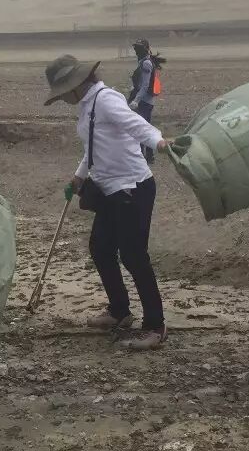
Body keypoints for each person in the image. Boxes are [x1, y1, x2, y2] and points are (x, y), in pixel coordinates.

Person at [45, 54, 169, 351]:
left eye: (63, 93)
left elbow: (136, 124)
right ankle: (119, 311)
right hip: (109, 190)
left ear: (76, 85)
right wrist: (79, 176)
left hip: (132, 188)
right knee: (100, 248)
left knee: (133, 255)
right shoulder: (88, 105)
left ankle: (155, 325)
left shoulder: (105, 99)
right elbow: (93, 146)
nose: (63, 99)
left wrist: (159, 141)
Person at [126, 39, 163, 162]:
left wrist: (136, 100)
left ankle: (142, 156)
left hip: (144, 102)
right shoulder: (143, 61)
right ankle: (149, 156)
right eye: (136, 48)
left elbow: (145, 85)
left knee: (141, 128)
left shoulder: (146, 63)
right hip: (146, 100)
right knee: (145, 127)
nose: (136, 51)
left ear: (145, 49)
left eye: (139, 48)